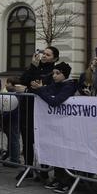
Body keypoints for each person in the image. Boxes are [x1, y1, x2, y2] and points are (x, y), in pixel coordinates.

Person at [16, 46, 59, 180]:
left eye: (48, 54)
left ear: (55, 58)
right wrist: (33, 66)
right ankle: (28, 167)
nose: (44, 56)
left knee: (42, 139)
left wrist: (35, 85)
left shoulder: (55, 71)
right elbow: (23, 80)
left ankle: (44, 170)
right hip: (28, 107)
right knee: (27, 138)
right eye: (43, 53)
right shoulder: (35, 66)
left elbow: (40, 84)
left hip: (43, 110)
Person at [33, 62, 77, 194]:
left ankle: (66, 180)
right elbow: (48, 92)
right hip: (57, 125)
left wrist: (40, 90)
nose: (54, 76)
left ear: (65, 74)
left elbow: (55, 101)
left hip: (68, 124)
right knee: (57, 149)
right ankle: (58, 177)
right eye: (54, 73)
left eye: (58, 73)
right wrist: (41, 89)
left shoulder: (69, 86)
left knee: (66, 151)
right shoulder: (56, 84)